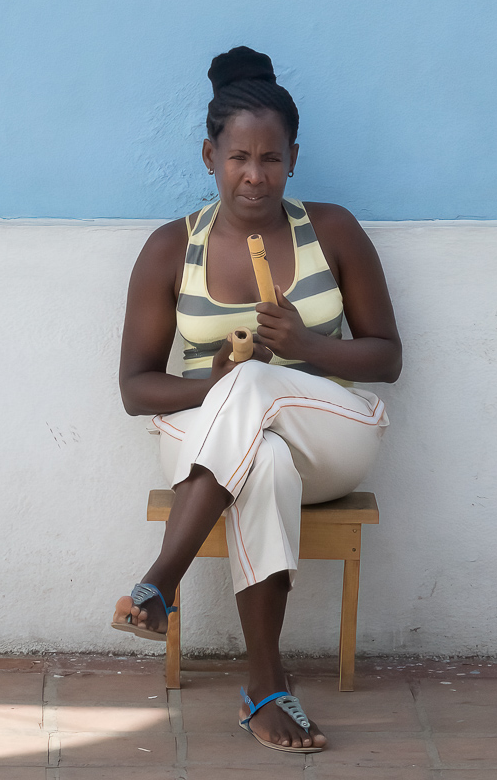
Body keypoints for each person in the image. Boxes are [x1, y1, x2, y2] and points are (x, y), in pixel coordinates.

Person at [111, 46, 401, 754]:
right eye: (238, 157)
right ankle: (265, 686)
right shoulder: (169, 249)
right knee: (261, 459)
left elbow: (387, 357)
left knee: (256, 391)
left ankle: (159, 580)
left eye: (270, 159)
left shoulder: (331, 231)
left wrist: (306, 344)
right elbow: (135, 388)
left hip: (331, 436)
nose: (254, 174)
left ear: (293, 159)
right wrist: (212, 385)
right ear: (210, 155)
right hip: (213, 432)